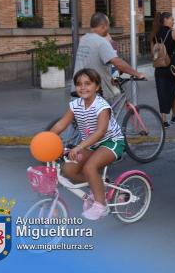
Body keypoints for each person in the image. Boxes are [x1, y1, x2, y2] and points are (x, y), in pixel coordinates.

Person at [50, 68, 125, 220]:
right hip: (91, 145)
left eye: (87, 83)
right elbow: (60, 125)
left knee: (90, 167)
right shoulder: (75, 105)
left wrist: (79, 146)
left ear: (97, 86)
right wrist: (45, 139)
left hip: (111, 142)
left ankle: (100, 205)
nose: (83, 87)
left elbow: (100, 132)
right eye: (78, 84)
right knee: (69, 170)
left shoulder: (101, 106)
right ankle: (100, 187)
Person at [73, 12, 145, 101]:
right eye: (108, 26)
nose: (109, 29)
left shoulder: (84, 39)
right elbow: (118, 62)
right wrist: (137, 74)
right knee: (107, 113)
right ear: (103, 26)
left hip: (78, 87)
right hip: (93, 92)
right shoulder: (101, 42)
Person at [151, 11, 175, 128]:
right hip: (172, 66)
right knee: (173, 91)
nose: (173, 21)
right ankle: (174, 115)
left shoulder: (154, 34)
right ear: (166, 19)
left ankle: (164, 120)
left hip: (159, 67)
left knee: (162, 92)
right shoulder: (174, 33)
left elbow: (153, 52)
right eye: (172, 19)